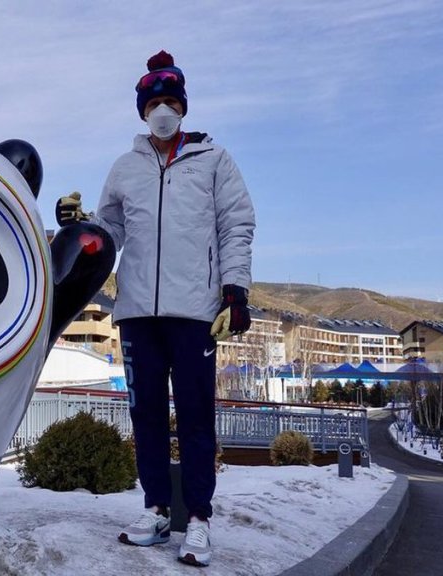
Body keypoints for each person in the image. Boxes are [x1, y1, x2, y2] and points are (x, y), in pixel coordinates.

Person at [55, 50, 255, 568]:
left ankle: (199, 517)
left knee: (194, 416)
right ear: (143, 111)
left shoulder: (214, 160)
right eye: (153, 104)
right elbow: (111, 231)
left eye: (171, 102)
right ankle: (156, 509)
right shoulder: (125, 167)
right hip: (138, 311)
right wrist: (81, 226)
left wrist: (235, 291)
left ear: (183, 107)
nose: (163, 111)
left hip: (194, 312)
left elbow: (236, 225)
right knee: (145, 414)